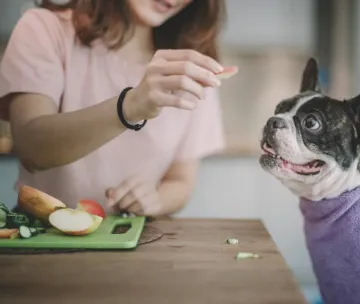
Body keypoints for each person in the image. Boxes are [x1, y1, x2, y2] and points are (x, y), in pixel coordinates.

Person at [0, 0, 227, 218]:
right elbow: (32, 149)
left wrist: (156, 199)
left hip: (138, 242)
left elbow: (181, 180)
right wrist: (130, 106)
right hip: (43, 241)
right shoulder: (44, 29)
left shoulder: (192, 66)